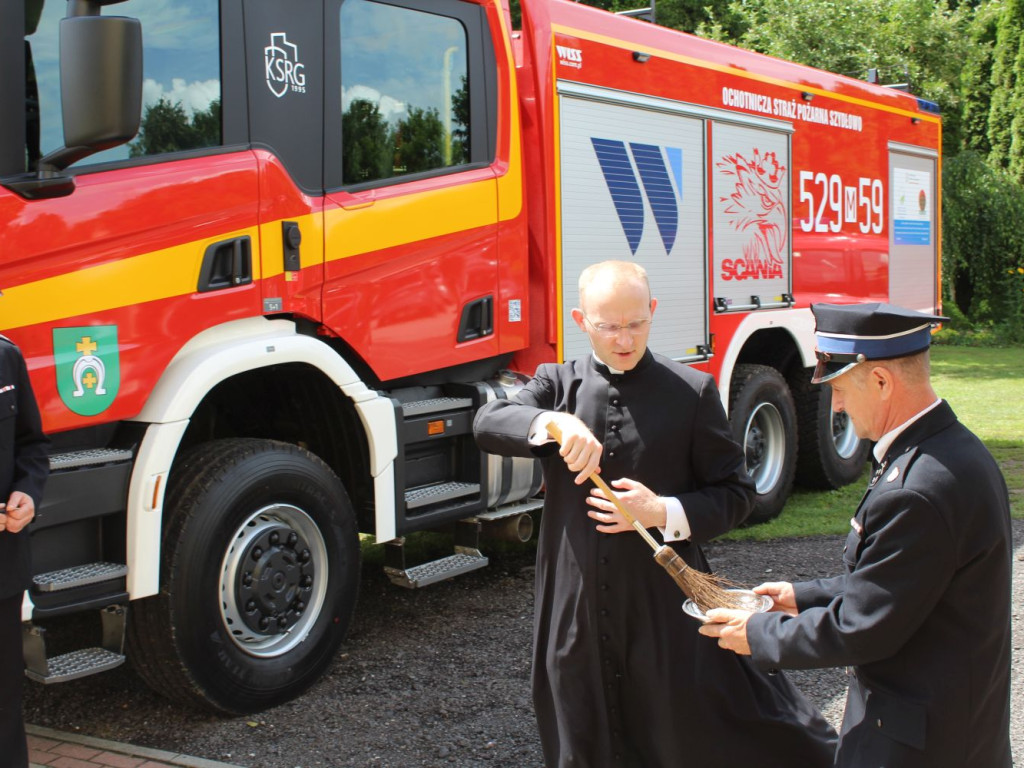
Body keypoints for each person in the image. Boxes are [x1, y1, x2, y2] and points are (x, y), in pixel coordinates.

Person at [473, 261, 836, 768]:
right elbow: (488, 421)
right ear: (581, 321)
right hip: (573, 603)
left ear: (653, 312)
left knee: (678, 730)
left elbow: (736, 493)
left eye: (637, 323)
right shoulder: (556, 385)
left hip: (661, 606)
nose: (625, 338)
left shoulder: (691, 392)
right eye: (609, 326)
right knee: (582, 729)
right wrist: (551, 422)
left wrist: (661, 510)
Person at [699, 302, 1013, 768]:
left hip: (920, 745)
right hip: (937, 725)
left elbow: (863, 628)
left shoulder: (918, 487)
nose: (837, 404)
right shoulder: (944, 451)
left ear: (882, 381)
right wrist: (799, 596)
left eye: (840, 389)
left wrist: (758, 633)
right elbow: (904, 582)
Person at [0, 334, 49, 768]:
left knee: (3, 699)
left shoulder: (5, 357)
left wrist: (26, 493)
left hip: (2, 565)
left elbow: (32, 446)